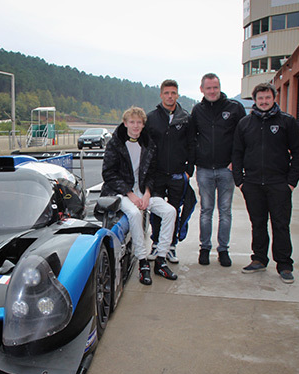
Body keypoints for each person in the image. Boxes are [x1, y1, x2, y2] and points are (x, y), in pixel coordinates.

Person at [232, 83, 299, 284]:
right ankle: (259, 259)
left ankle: (284, 264)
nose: (264, 101)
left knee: (280, 224)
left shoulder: (286, 122)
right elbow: (237, 153)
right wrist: (240, 181)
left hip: (279, 184)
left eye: (267, 98)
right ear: (254, 100)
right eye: (260, 98)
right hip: (253, 184)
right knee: (257, 223)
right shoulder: (245, 124)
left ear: (274, 98)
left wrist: (291, 182)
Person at [101, 106, 178, 285]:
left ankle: (160, 259)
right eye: (132, 122)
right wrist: (130, 194)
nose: (135, 126)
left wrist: (147, 194)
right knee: (135, 214)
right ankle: (142, 262)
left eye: (139, 123)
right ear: (125, 123)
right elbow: (109, 173)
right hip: (120, 193)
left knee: (170, 212)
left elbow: (151, 173)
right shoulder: (115, 143)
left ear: (143, 125)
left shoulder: (148, 144)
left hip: (142, 192)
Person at [192, 73, 246, 267]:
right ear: (202, 90)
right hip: (205, 170)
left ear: (220, 87)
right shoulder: (197, 110)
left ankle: (223, 250)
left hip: (226, 169)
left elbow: (243, 136)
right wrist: (194, 163)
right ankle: (204, 248)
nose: (212, 91)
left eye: (215, 87)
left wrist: (237, 162)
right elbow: (192, 138)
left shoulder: (234, 108)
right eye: (208, 88)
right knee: (206, 210)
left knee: (225, 211)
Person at [145, 79, 196, 265]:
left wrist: (189, 171)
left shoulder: (186, 118)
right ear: (161, 95)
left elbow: (192, 145)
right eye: (166, 93)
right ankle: (157, 243)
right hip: (157, 175)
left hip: (177, 174)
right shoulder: (151, 118)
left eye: (173, 93)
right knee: (157, 212)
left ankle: (171, 246)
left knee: (175, 211)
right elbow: (145, 147)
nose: (170, 96)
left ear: (177, 94)